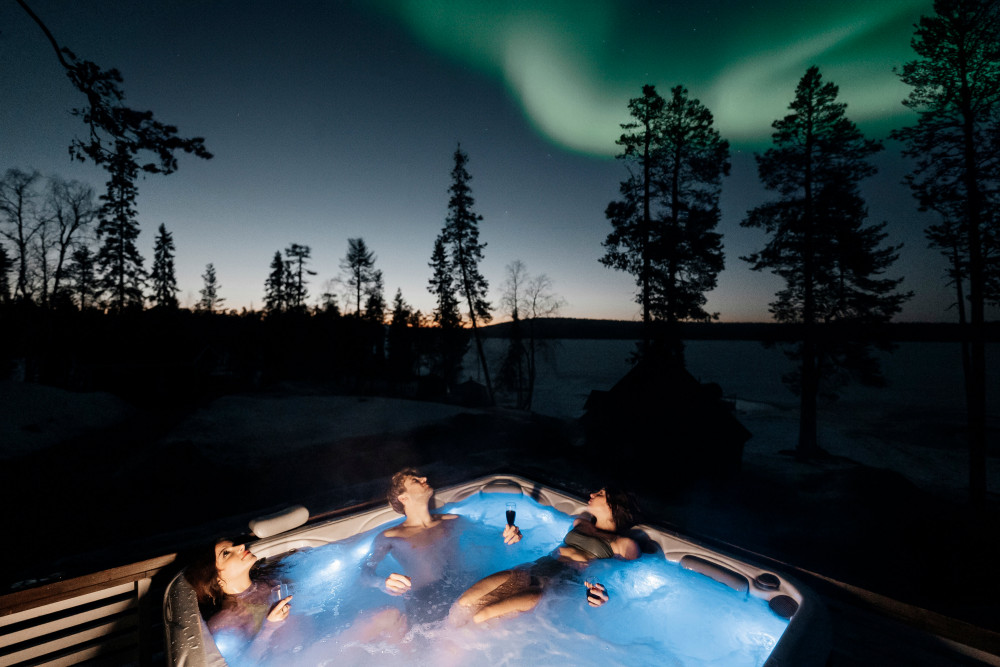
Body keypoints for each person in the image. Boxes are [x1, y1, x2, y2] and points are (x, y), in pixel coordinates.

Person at [453, 487, 640, 624]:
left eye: (600, 494)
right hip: (530, 569)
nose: (592, 494)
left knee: (482, 616)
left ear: (615, 506)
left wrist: (603, 595)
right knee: (464, 603)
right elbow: (544, 543)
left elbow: (626, 581)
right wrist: (517, 539)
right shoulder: (579, 523)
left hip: (553, 586)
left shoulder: (623, 544)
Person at [362, 468, 522, 623]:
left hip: (465, 584)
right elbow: (365, 572)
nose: (424, 479)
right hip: (427, 598)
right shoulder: (390, 536)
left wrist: (509, 536)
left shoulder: (453, 520)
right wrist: (382, 583)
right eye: (415, 480)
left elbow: (489, 539)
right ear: (403, 498)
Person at [185, 539, 293, 662]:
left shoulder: (270, 581)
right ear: (216, 578)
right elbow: (245, 663)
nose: (241, 546)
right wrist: (269, 627)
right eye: (226, 553)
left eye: (234, 545)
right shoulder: (224, 623)